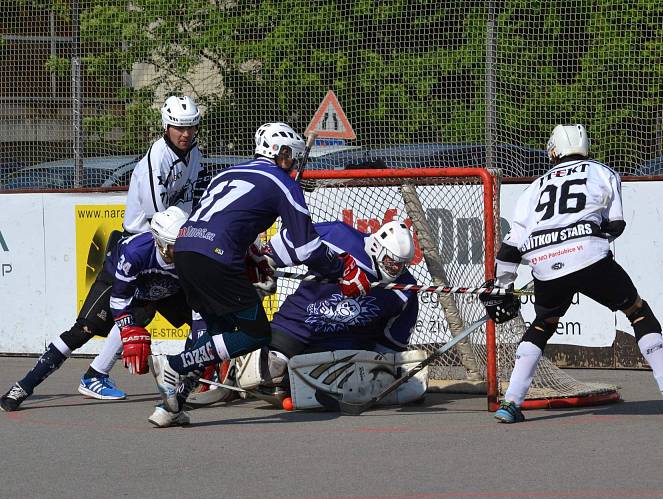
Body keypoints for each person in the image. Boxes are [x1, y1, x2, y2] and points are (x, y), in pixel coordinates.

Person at [479, 124, 663, 423]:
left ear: (553, 150)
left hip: (543, 261)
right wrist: (581, 244)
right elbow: (615, 224)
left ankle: (510, 403)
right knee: (637, 311)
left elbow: (510, 248)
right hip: (589, 256)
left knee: (544, 323)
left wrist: (503, 286)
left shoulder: (535, 186)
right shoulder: (602, 172)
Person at [148, 122, 371, 415]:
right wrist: (342, 268)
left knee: (219, 329)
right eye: (292, 157)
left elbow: (220, 219)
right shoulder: (282, 182)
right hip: (217, 257)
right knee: (256, 333)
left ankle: (170, 407)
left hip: (186, 249)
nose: (293, 165)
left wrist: (252, 256)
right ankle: (174, 364)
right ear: (281, 152)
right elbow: (305, 248)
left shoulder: (227, 173)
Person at [0, 207, 195, 428]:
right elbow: (120, 299)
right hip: (118, 283)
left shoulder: (192, 254)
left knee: (203, 322)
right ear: (159, 241)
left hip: (167, 288)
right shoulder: (135, 251)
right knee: (83, 330)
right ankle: (24, 386)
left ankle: (188, 388)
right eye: (173, 247)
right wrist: (128, 329)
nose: (181, 252)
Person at [75, 95, 208, 401]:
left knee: (174, 309)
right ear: (166, 126)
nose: (185, 134)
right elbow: (159, 218)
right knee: (143, 311)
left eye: (190, 127)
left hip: (175, 239)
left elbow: (198, 192)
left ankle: (196, 370)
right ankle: (95, 374)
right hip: (146, 242)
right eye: (178, 128)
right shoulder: (156, 159)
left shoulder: (194, 152)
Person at [250, 219, 419, 402]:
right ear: (377, 248)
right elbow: (291, 240)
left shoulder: (405, 290)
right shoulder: (337, 235)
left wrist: (377, 374)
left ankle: (292, 385)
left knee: (331, 383)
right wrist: (265, 264)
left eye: (402, 264)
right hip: (296, 323)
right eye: (392, 261)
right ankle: (266, 376)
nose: (397, 268)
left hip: (343, 345)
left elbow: (390, 347)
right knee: (271, 368)